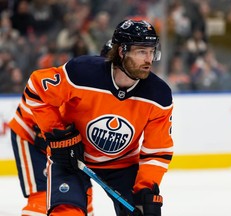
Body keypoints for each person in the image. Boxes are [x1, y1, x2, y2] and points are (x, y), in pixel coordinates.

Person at [19, 19, 174, 216]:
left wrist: (146, 188)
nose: (149, 59)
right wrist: (57, 134)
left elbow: (157, 150)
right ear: (121, 51)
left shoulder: (158, 94)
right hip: (72, 157)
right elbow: (37, 88)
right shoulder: (82, 73)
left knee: (145, 210)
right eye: (142, 51)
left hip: (122, 164)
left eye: (152, 51)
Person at [8, 40, 113, 215]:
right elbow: (46, 113)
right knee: (44, 197)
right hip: (33, 135)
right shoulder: (83, 81)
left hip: (65, 142)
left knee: (82, 199)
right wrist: (54, 141)